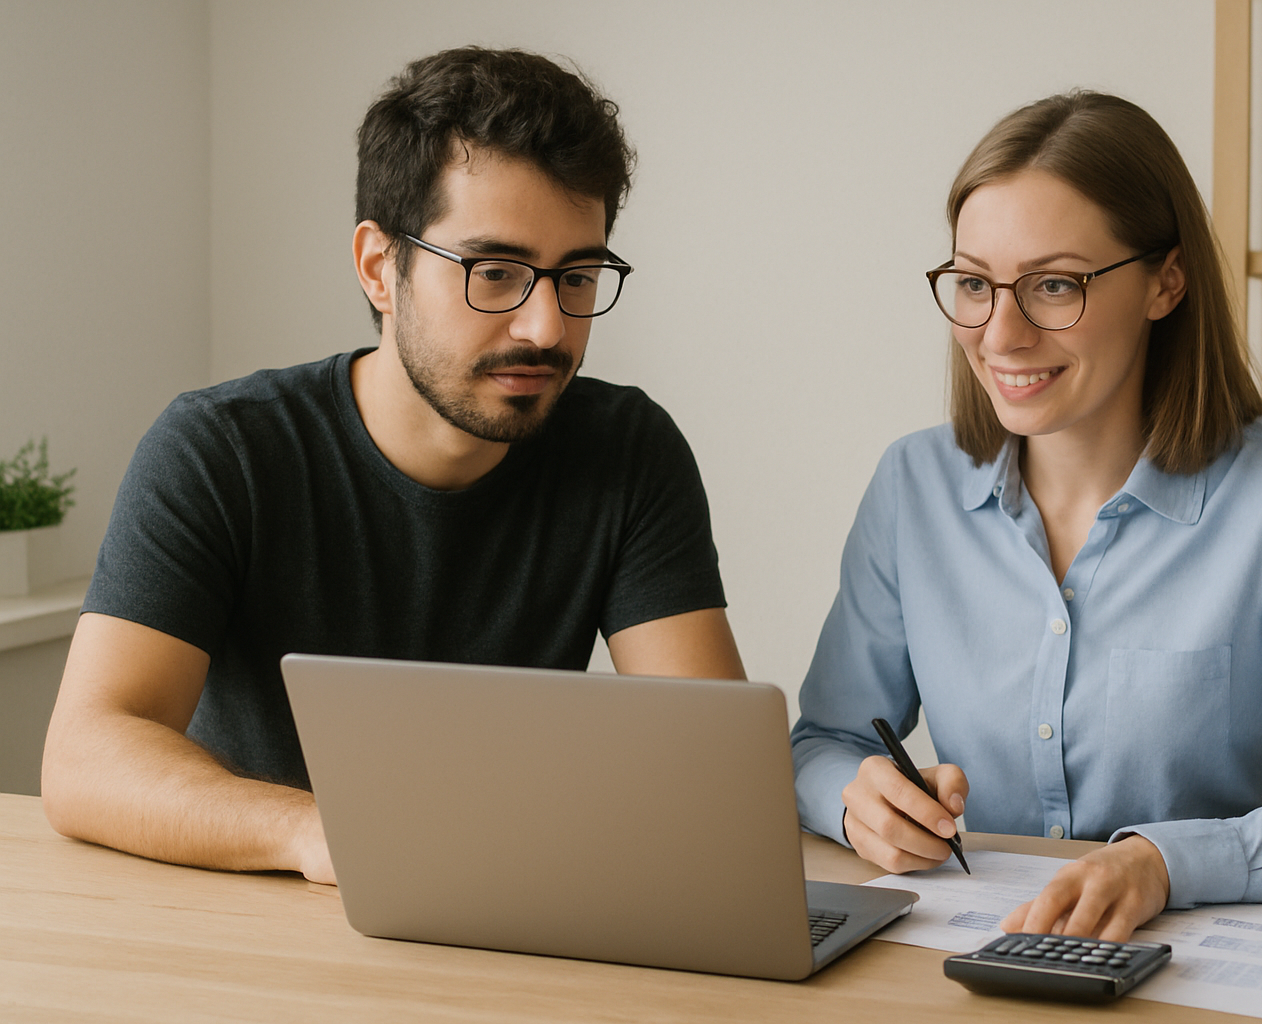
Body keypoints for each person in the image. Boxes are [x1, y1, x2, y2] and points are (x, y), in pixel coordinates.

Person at [41, 47, 745, 885]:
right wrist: (324, 834)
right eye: (496, 272)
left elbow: (711, 777)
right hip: (249, 920)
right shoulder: (220, 448)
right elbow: (86, 755)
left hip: (499, 907)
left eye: (578, 276)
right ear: (381, 266)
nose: (548, 329)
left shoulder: (627, 451)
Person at [790, 91, 1262, 941]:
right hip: (970, 961)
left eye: (1053, 285)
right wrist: (857, 801)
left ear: (1165, 282)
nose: (999, 334)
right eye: (974, 283)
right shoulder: (912, 485)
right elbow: (819, 742)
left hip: (1204, 970)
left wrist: (1166, 863)